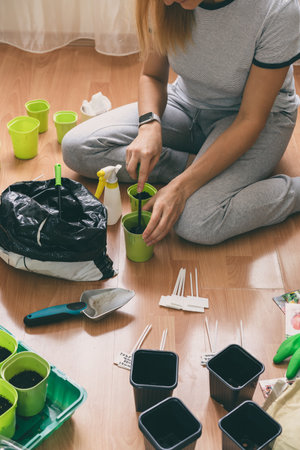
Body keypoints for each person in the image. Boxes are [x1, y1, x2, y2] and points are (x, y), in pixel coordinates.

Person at [62, 0, 300, 247]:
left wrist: (182, 187)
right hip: (187, 103)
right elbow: (151, 75)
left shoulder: (278, 9)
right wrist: (149, 126)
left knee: (196, 221)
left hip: (254, 119)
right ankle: (198, 165)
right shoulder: (167, 1)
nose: (166, 2)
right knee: (77, 147)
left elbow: (251, 119)